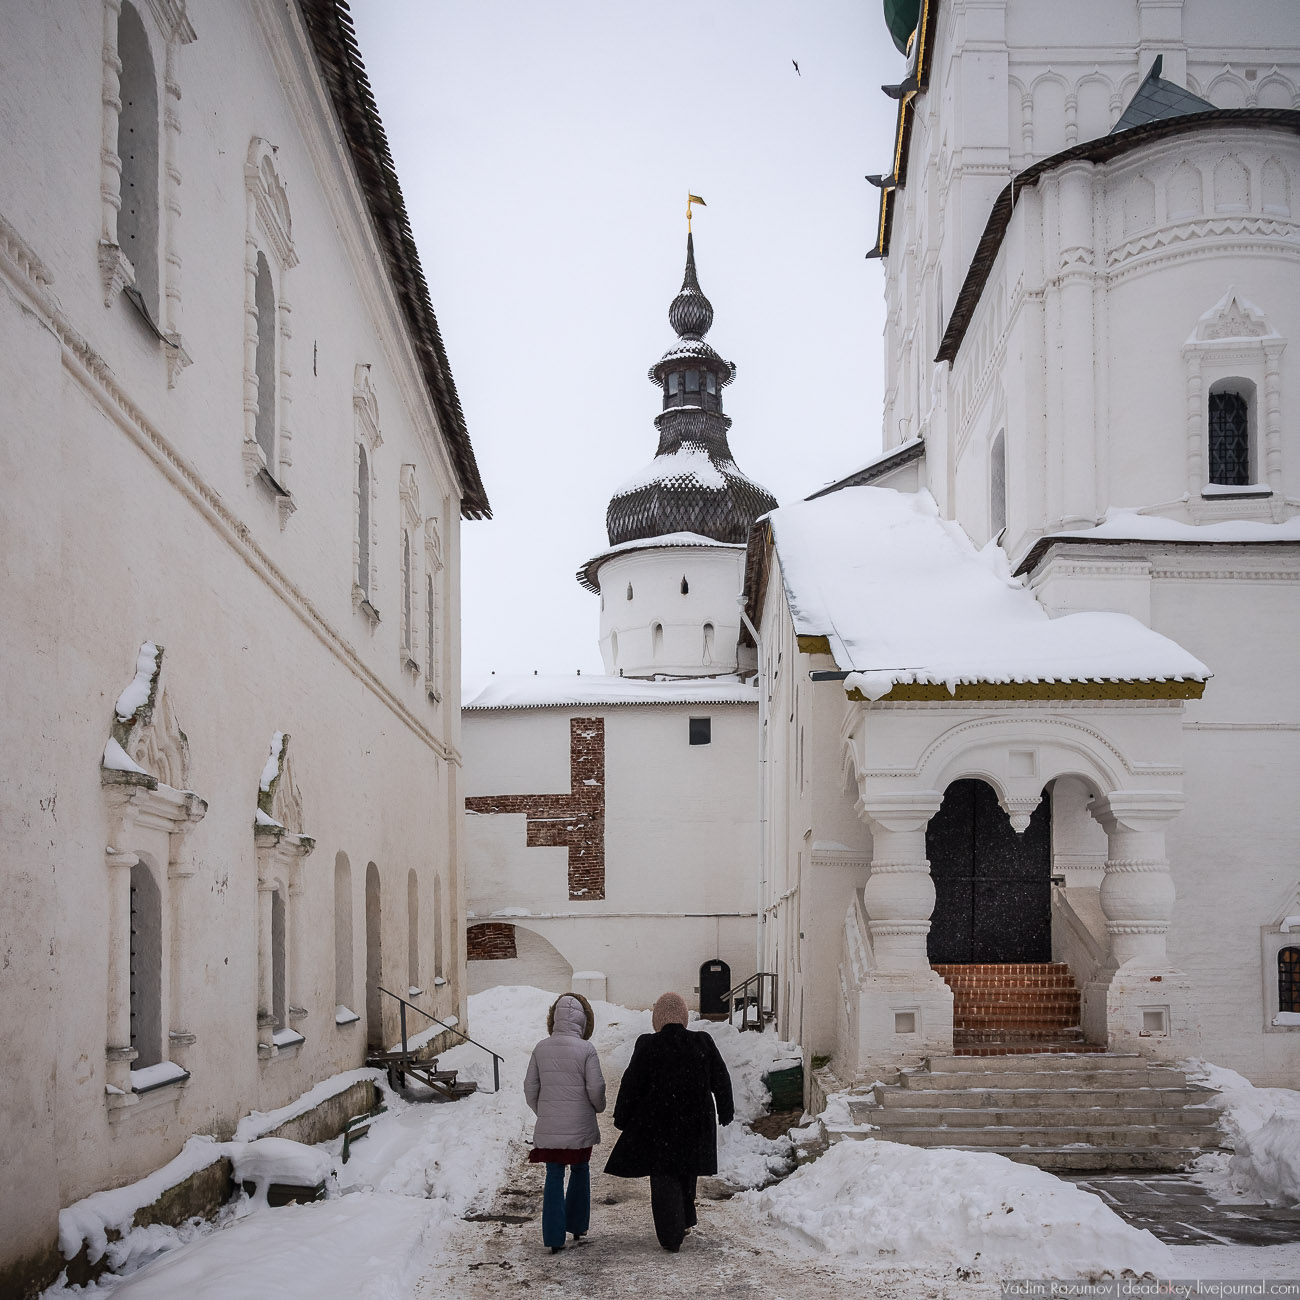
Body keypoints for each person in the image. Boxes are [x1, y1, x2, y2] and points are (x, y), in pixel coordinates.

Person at [604, 991, 734, 1252]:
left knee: (664, 1177)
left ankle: (670, 1234)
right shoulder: (702, 1042)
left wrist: (621, 1117)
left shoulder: (648, 1045)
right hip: (696, 1122)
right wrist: (726, 1109)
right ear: (684, 1018)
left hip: (658, 1124)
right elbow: (721, 1077)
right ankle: (683, 1219)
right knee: (687, 1170)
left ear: (657, 1019)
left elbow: (631, 1084)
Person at [523, 992, 607, 1253]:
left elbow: (530, 1088)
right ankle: (578, 1224)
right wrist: (598, 1107)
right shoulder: (587, 1049)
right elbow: (596, 1088)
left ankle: (553, 1236)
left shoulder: (541, 1048)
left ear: (553, 1018)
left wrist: (544, 1112)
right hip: (580, 1125)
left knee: (554, 1175)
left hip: (551, 1126)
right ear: (584, 1021)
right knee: (580, 1170)